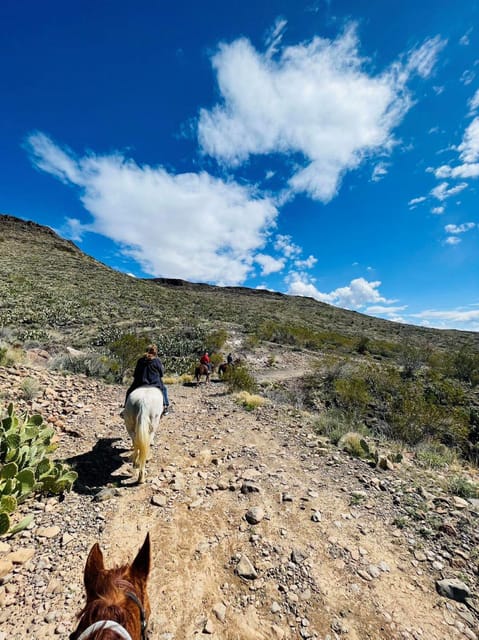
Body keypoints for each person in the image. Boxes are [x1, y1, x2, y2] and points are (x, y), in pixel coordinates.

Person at [124, 344, 170, 415]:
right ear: (155, 352)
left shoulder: (140, 360)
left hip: (140, 383)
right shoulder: (157, 361)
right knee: (164, 389)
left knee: (129, 391)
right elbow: (161, 374)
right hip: (154, 384)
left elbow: (135, 374)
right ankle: (165, 406)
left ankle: (125, 408)